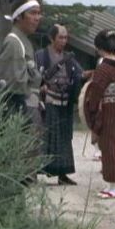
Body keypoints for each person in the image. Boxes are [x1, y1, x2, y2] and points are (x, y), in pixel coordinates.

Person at [0, 0, 43, 184]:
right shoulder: (14, 42)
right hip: (18, 106)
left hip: (27, 104)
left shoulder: (24, 42)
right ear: (19, 17)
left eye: (39, 13)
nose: (37, 18)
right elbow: (14, 83)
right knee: (19, 160)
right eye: (33, 13)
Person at [83, 29, 115, 199]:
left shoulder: (104, 68)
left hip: (109, 110)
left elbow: (96, 90)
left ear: (99, 48)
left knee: (109, 145)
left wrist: (91, 109)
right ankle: (112, 183)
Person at [35, 24, 83, 186]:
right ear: (52, 38)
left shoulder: (69, 58)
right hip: (47, 103)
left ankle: (62, 174)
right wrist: (40, 86)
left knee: (64, 138)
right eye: (60, 37)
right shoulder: (41, 56)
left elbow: (79, 74)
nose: (64, 41)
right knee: (44, 137)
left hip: (64, 103)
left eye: (65, 38)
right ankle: (34, 173)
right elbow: (34, 76)